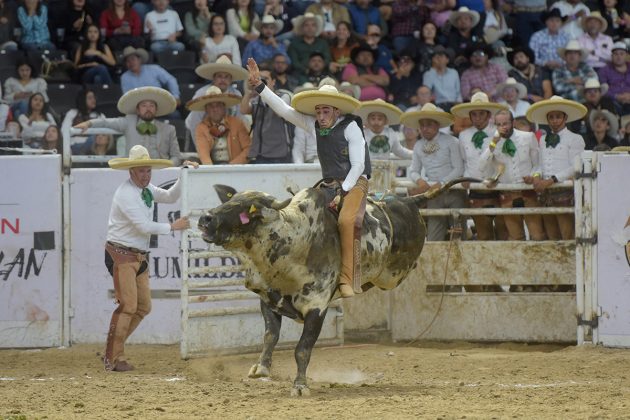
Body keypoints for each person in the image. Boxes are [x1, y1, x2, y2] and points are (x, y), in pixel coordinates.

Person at [246, 57, 370, 298]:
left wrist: (342, 191)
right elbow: (283, 109)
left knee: (346, 221)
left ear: (336, 110)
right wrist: (260, 87)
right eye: (319, 111)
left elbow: (358, 166)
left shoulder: (352, 127)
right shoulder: (314, 124)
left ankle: (347, 280)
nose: (321, 115)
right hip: (329, 184)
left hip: (354, 182)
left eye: (326, 111)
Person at [102, 144, 197, 372]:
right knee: (129, 306)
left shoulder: (144, 189)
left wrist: (184, 173)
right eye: (141, 171)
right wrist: (174, 226)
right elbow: (143, 226)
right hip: (121, 254)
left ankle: (112, 350)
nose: (146, 175)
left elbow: (170, 195)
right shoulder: (125, 193)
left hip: (135, 255)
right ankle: (114, 357)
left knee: (142, 306)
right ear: (131, 172)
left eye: (148, 171)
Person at [402, 103, 466, 241]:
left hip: (454, 191)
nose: (425, 128)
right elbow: (414, 170)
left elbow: (459, 169)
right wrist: (420, 180)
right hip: (433, 194)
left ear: (437, 125)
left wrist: (441, 183)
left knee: (459, 234)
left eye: (429, 124)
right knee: (433, 235)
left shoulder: (451, 141)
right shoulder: (418, 145)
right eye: (422, 125)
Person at [525, 95, 587, 240]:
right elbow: (540, 165)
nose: (554, 120)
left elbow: (575, 167)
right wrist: (536, 177)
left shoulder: (575, 138)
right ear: (547, 119)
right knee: (551, 237)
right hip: (546, 193)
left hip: (566, 192)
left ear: (565, 118)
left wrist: (551, 180)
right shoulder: (543, 139)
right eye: (551, 117)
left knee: (568, 236)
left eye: (558, 116)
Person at [479, 109, 546, 241]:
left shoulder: (528, 137)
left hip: (528, 192)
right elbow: (481, 167)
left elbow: (538, 164)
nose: (502, 127)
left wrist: (533, 176)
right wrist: (493, 144)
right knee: (515, 238)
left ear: (513, 122)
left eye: (505, 123)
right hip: (507, 194)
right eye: (499, 124)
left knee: (538, 235)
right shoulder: (489, 141)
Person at [74, 87, 182, 165]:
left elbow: (176, 156)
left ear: (156, 110)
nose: (148, 109)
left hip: (161, 173)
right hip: (133, 172)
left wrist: (168, 166)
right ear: (138, 110)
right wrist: (89, 123)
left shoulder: (169, 129)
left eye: (151, 106)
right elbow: (106, 122)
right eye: (144, 106)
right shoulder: (129, 122)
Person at [451, 92, 508, 241]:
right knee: (483, 235)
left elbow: (503, 160)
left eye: (481, 114)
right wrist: (465, 177)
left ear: (488, 115)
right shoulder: (463, 135)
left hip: (497, 188)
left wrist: (498, 178)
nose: (477, 118)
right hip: (475, 189)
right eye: (474, 114)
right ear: (469, 116)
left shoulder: (498, 133)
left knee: (503, 231)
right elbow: (464, 160)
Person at [185, 55, 247, 144]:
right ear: (213, 78)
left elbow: (240, 120)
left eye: (226, 77)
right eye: (219, 76)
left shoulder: (236, 94)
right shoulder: (202, 93)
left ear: (231, 79)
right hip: (197, 131)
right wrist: (200, 147)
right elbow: (195, 122)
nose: (223, 80)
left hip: (224, 132)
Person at [187, 86, 251, 164]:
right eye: (211, 106)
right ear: (206, 110)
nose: (215, 109)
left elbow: (248, 148)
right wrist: (212, 172)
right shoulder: (201, 127)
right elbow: (203, 154)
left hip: (235, 168)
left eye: (218, 105)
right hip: (213, 168)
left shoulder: (237, 123)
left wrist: (233, 166)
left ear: (224, 108)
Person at [240, 69, 292, 163]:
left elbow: (281, 112)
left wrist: (264, 92)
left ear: (273, 82)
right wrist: (249, 92)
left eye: (265, 79)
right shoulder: (256, 99)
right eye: (259, 78)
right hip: (258, 154)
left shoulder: (283, 96)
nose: (261, 81)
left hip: (278, 154)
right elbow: (244, 110)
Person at [119, 47, 181, 115]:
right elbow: (127, 97)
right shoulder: (124, 77)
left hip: (159, 104)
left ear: (139, 59)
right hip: (138, 110)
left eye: (133, 59)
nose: (131, 63)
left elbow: (170, 80)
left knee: (175, 114)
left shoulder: (154, 69)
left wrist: (175, 96)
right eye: (128, 61)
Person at [287, 13, 331, 78]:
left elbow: (327, 59)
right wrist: (305, 70)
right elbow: (294, 62)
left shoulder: (323, 43)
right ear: (302, 28)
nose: (310, 28)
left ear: (316, 28)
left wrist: (319, 68)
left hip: (321, 73)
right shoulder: (294, 44)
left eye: (313, 25)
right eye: (306, 25)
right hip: (300, 74)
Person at [422, 46, 462, 111]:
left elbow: (458, 92)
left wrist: (459, 104)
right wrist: (434, 68)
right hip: (437, 106)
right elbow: (426, 92)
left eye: (441, 56)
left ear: (447, 60)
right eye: (436, 56)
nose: (439, 59)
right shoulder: (428, 74)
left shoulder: (454, 72)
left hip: (454, 104)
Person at [598, 42, 630, 115]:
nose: (619, 57)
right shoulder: (604, 70)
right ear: (612, 56)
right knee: (605, 101)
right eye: (616, 54)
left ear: (627, 56)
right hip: (614, 101)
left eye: (621, 54)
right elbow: (602, 90)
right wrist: (617, 96)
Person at [447, 6, 483, 71]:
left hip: (478, 65)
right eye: (460, 19)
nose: (463, 21)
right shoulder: (452, 37)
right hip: (460, 67)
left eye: (466, 19)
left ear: (471, 22)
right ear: (456, 23)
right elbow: (452, 51)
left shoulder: (477, 35)